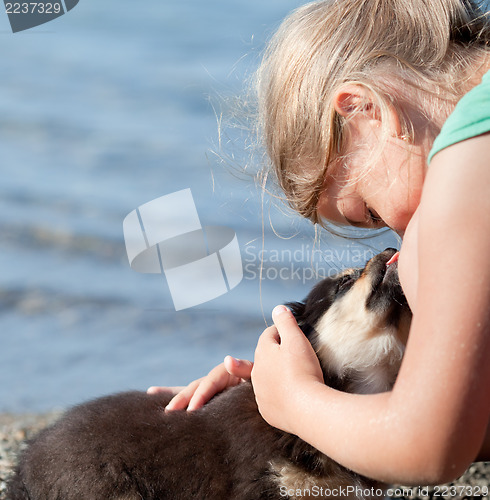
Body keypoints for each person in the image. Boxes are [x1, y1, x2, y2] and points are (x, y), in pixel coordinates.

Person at [148, 0, 490, 486]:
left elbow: (431, 450)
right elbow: (469, 420)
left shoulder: (470, 158)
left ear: (362, 110)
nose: (398, 239)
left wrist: (297, 403)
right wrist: (322, 383)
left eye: (369, 211)